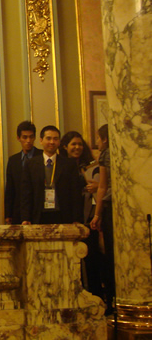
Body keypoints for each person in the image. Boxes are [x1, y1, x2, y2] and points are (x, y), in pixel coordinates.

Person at [60, 131, 103, 299]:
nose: (77, 147)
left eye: (79, 144)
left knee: (92, 257)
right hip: (69, 217)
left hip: (90, 217)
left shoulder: (91, 165)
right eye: (73, 144)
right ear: (65, 147)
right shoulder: (60, 166)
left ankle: (96, 295)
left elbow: (104, 185)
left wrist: (97, 187)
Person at [20, 125, 83, 225]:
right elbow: (26, 193)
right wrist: (25, 217)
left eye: (55, 139)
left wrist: (77, 218)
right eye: (48, 138)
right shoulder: (31, 164)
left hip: (62, 214)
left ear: (59, 142)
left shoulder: (69, 164)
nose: (52, 142)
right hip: (39, 214)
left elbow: (75, 193)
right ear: (41, 140)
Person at [90, 124, 115, 315]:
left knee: (110, 254)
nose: (97, 142)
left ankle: (112, 300)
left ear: (105, 139)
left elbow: (102, 187)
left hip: (110, 208)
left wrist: (97, 215)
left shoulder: (106, 154)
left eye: (99, 138)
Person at [4, 121, 42, 225]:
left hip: (37, 209)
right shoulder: (13, 160)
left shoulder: (42, 156)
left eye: (31, 137)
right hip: (18, 210)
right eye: (25, 137)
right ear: (18, 138)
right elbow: (10, 189)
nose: (28, 141)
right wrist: (8, 214)